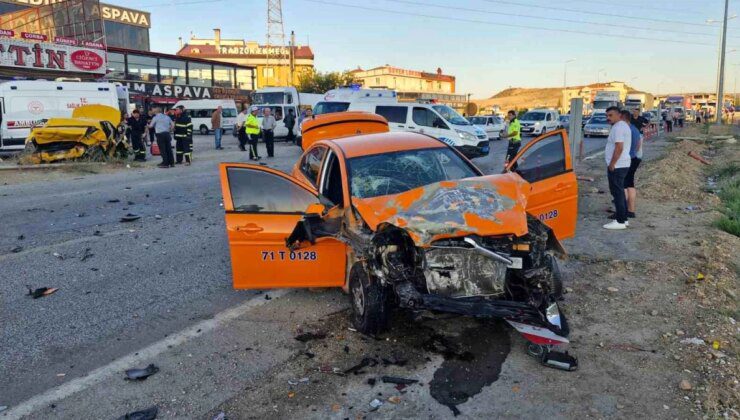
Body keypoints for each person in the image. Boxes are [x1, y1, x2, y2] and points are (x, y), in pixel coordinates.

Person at [603, 106, 632, 230]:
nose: (608, 118)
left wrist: (612, 164)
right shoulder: (622, 126)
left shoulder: (619, 127)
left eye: (611, 115)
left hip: (618, 165)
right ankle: (623, 219)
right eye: (607, 115)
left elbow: (619, 147)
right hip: (622, 164)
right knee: (619, 192)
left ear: (619, 115)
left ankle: (620, 221)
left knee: (617, 193)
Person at [622, 110, 642, 219]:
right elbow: (639, 145)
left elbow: (619, 147)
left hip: (625, 160)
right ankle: (631, 210)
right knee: (630, 184)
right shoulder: (635, 129)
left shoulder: (624, 130)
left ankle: (622, 210)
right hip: (634, 158)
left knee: (622, 185)